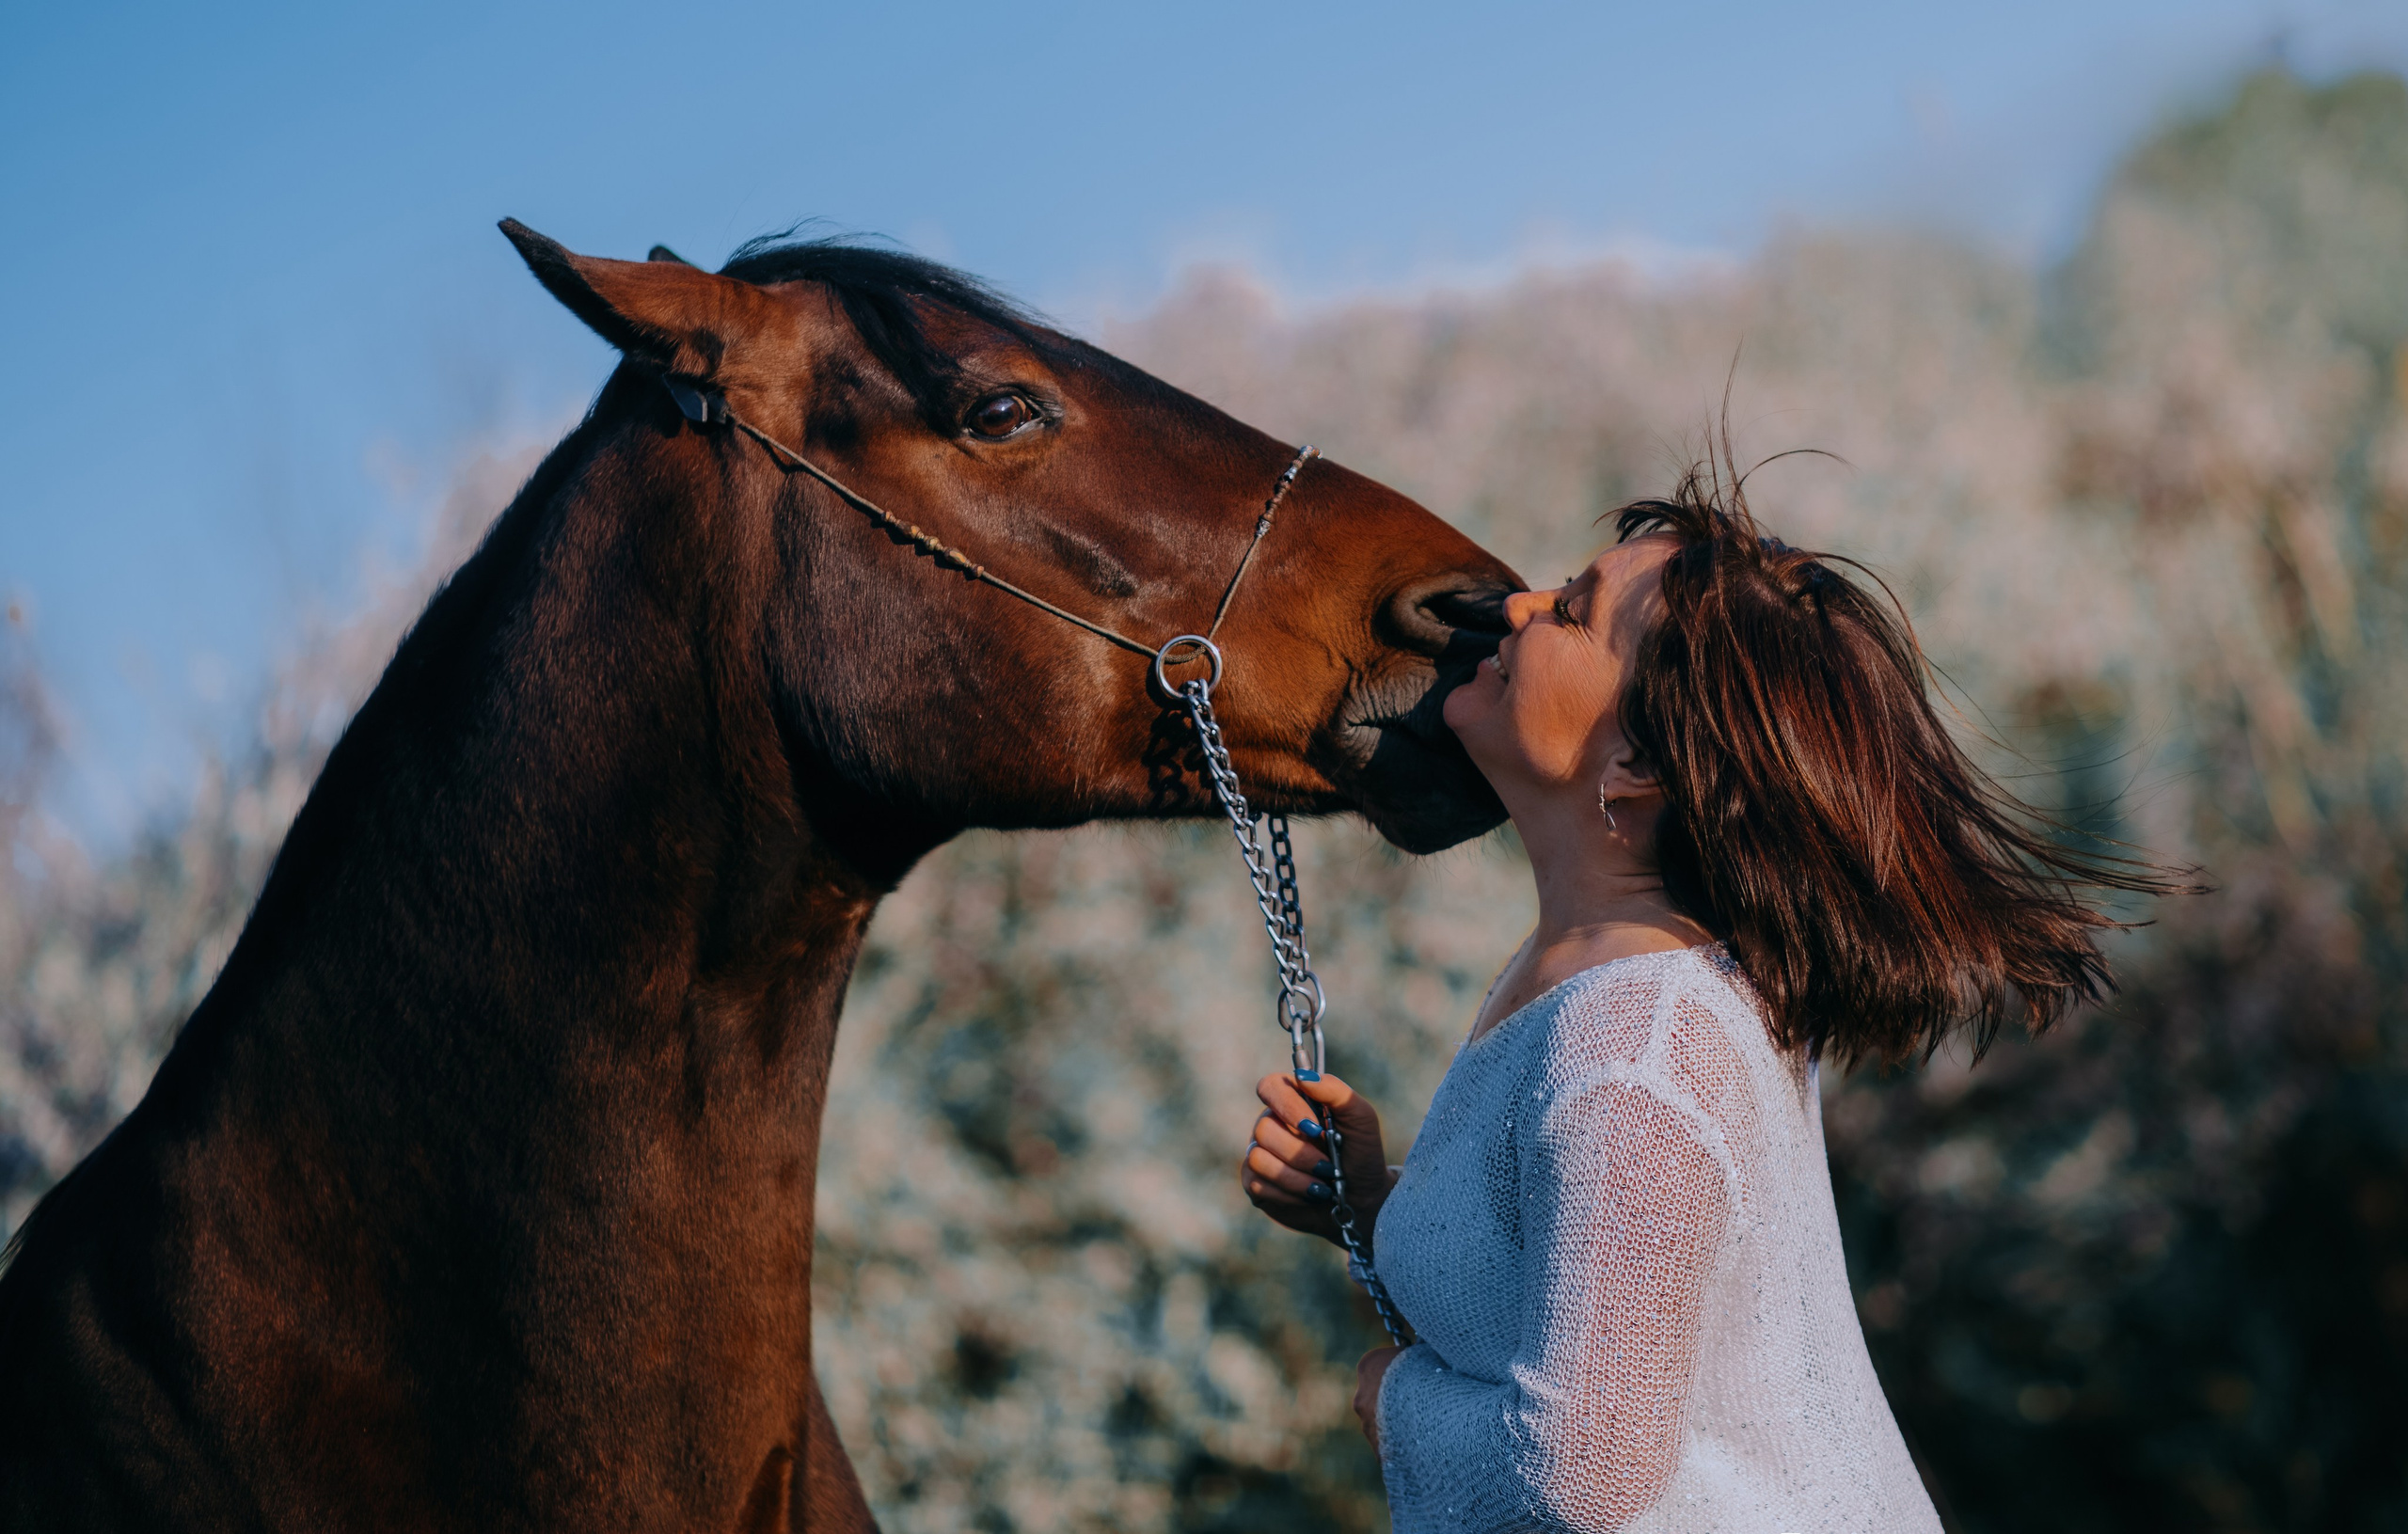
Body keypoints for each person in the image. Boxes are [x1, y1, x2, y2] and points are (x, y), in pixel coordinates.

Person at [1240, 468, 2178, 1531]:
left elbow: (1583, 1473)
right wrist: (1369, 1204)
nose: (1513, 606)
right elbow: (1572, 1304)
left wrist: (1392, 1401)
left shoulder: (1636, 1045)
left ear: (1638, 759)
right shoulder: (1595, 976)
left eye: (1572, 613)